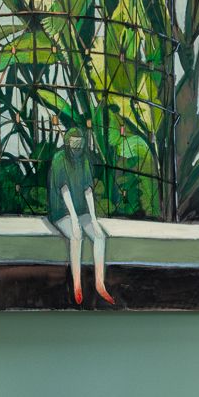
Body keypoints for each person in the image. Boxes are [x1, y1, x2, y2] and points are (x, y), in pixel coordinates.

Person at [48, 125, 115, 307]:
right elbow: (64, 190)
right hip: (62, 211)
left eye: (80, 143)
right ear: (67, 143)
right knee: (76, 235)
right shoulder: (58, 159)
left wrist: (93, 219)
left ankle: (100, 283)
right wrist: (75, 220)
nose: (77, 147)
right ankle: (77, 284)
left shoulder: (84, 159)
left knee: (99, 235)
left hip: (81, 210)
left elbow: (88, 190)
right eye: (74, 143)